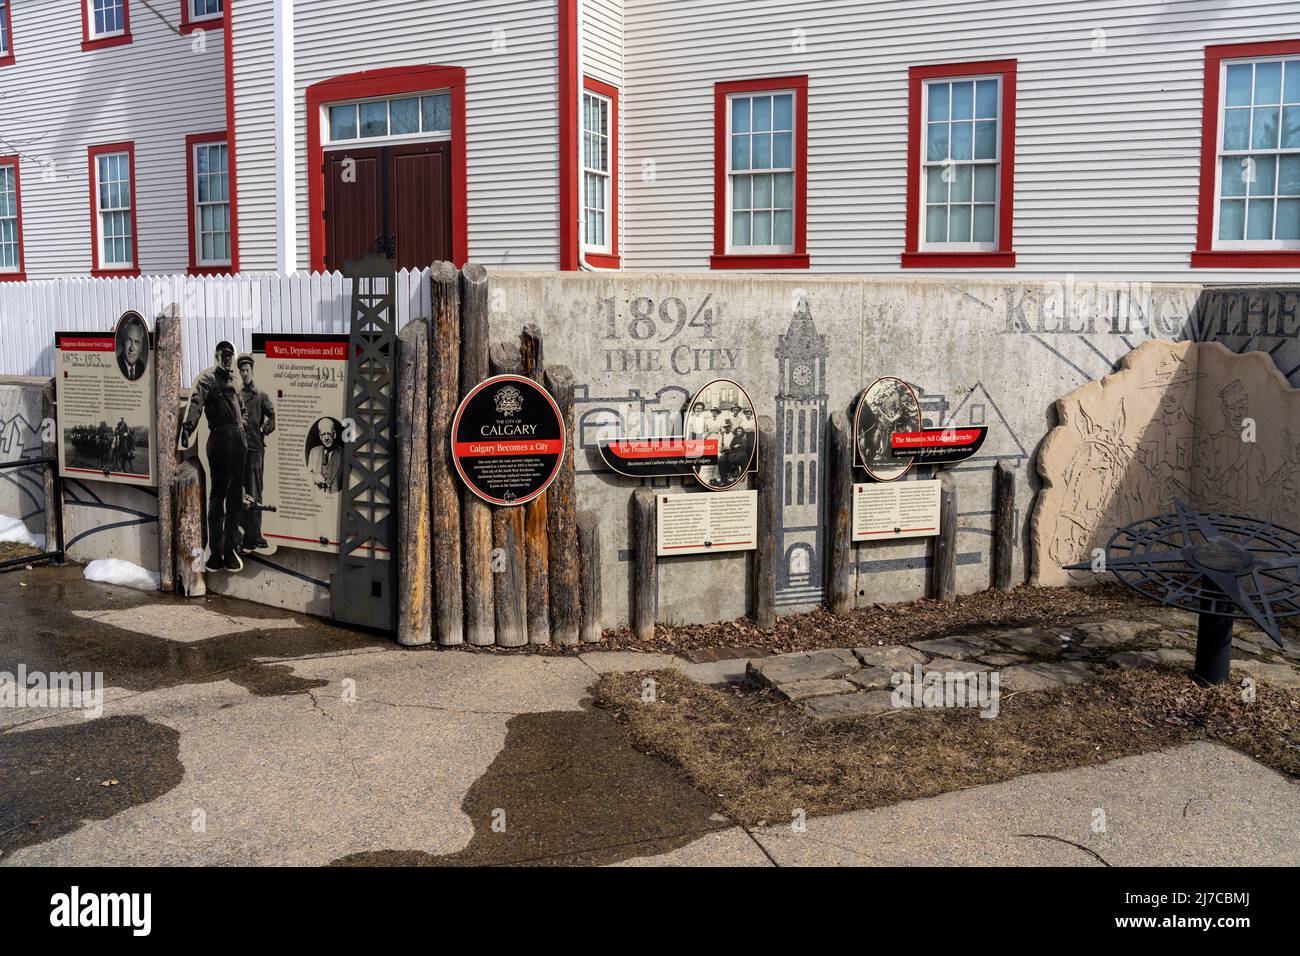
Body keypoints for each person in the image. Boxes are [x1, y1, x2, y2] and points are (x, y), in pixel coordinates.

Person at [181, 341, 247, 572]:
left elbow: (243, 411)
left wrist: (246, 428)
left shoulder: (235, 382)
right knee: (218, 498)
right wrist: (188, 428)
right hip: (220, 442)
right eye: (224, 354)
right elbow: (196, 404)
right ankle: (216, 553)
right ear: (217, 356)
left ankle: (229, 551)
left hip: (240, 442)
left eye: (231, 355)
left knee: (236, 498)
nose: (228, 358)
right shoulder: (208, 381)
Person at [237, 355, 276, 553]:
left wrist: (264, 429)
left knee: (255, 492)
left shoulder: (260, 395)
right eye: (241, 370)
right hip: (240, 450)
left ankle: (255, 535)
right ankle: (245, 532)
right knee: (241, 493)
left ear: (252, 371)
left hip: (255, 451)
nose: (244, 373)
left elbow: (273, 416)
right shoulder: (237, 395)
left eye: (247, 370)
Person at [306, 418, 343, 494]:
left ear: (334, 434)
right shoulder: (314, 452)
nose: (326, 438)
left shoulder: (344, 454)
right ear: (320, 436)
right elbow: (307, 475)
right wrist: (314, 477)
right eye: (323, 434)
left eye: (329, 434)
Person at [116, 316, 147, 381]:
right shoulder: (116, 364)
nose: (132, 348)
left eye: (136, 342)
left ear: (141, 347)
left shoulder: (141, 367)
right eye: (128, 340)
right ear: (122, 341)